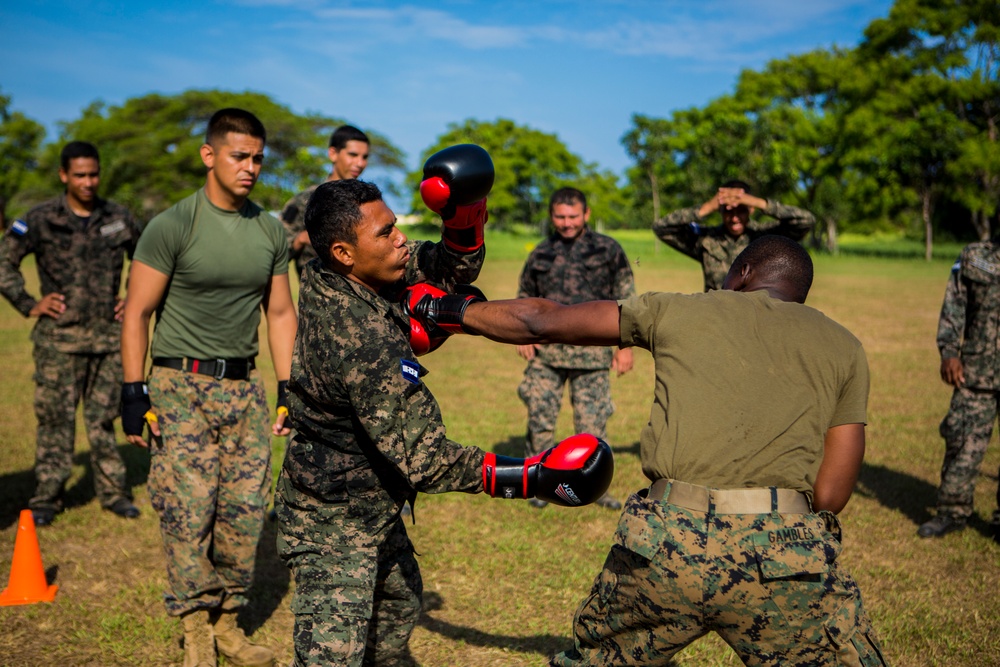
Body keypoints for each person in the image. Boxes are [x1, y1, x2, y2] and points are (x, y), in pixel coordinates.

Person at [413, 235, 889, 665]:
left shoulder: (679, 309)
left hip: (663, 547)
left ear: (742, 273)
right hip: (785, 559)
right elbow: (830, 496)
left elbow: (542, 320)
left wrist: (446, 310)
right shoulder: (844, 347)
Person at [275, 149, 614, 667]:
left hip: (373, 499)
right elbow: (425, 458)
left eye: (395, 226)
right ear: (345, 252)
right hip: (331, 519)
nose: (400, 239)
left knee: (396, 612)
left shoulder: (338, 270)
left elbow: (445, 269)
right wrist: (530, 477)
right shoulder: (362, 342)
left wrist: (464, 219)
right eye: (386, 233)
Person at [119, 108, 298, 667]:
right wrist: (133, 391)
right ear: (210, 155)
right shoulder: (173, 225)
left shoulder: (270, 229)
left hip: (243, 389)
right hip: (179, 384)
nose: (250, 168)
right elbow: (137, 312)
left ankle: (228, 624)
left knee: (244, 510)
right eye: (239, 156)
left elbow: (280, 312)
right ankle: (196, 629)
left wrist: (287, 387)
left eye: (257, 159)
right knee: (187, 507)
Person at [0, 141, 143, 527]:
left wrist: (134, 297)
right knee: (55, 420)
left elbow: (150, 257)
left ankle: (114, 492)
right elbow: (4, 261)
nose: (87, 182)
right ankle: (47, 495)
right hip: (58, 340)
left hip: (108, 340)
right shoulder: (40, 218)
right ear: (64, 175)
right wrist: (29, 303)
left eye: (93, 174)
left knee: (104, 419)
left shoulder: (117, 216)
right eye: (79, 175)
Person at [516, 187, 635, 510]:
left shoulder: (608, 250)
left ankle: (597, 488)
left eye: (572, 216)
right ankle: (538, 486)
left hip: (593, 354)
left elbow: (627, 301)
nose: (566, 223)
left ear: (586, 214)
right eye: (559, 217)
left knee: (593, 427)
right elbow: (525, 296)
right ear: (551, 216)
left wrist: (624, 346)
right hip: (548, 355)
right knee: (539, 419)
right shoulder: (540, 252)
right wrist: (524, 337)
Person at [919, 241, 1000, 541]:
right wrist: (949, 351)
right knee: (961, 439)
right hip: (976, 371)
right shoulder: (975, 257)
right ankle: (952, 512)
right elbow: (955, 303)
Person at [654, 179, 815, 291]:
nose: (735, 217)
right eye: (728, 211)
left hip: (753, 320)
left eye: (741, 210)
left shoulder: (765, 238)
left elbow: (805, 221)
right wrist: (706, 208)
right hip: (715, 320)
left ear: (750, 209)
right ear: (720, 210)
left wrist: (759, 203)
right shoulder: (706, 239)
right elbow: (661, 227)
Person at [280, 124, 370, 278]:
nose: (360, 163)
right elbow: (277, 253)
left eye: (365, 157)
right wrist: (301, 240)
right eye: (353, 155)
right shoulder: (305, 201)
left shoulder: (368, 202)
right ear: (333, 153)